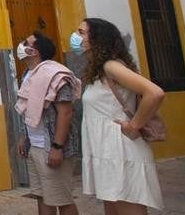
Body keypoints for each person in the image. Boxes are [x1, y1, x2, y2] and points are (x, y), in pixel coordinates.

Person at [76, 18, 165, 214]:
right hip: (107, 152)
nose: (76, 37)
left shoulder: (111, 67)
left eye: (81, 32)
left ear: (97, 38)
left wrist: (134, 126)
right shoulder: (99, 71)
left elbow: (155, 92)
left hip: (121, 151)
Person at [14, 31, 82, 215]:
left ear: (34, 51)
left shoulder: (56, 75)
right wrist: (24, 136)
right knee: (42, 197)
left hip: (52, 146)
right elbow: (29, 109)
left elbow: (65, 112)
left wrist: (57, 146)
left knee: (62, 199)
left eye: (25, 42)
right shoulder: (28, 75)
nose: (20, 45)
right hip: (35, 145)